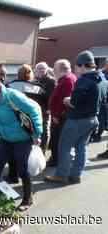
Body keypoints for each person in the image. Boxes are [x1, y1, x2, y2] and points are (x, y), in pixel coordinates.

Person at [0, 78, 42, 211]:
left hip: (22, 138)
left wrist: (37, 134)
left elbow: (33, 112)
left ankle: (27, 199)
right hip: (6, 138)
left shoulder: (12, 96)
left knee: (22, 169)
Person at [45, 50, 107, 184]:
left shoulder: (84, 80)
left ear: (82, 65)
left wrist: (67, 100)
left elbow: (74, 102)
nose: (75, 70)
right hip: (92, 119)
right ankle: (76, 175)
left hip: (78, 119)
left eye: (76, 67)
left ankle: (61, 174)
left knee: (64, 146)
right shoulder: (102, 79)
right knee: (81, 147)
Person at [6, 64, 46, 183]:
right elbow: (43, 106)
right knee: (26, 152)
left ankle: (13, 175)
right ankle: (26, 175)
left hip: (14, 122)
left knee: (12, 151)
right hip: (31, 124)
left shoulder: (10, 86)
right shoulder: (38, 88)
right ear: (31, 75)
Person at [47, 60, 77, 167]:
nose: (53, 70)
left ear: (60, 69)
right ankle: (55, 159)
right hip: (59, 116)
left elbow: (66, 100)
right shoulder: (65, 79)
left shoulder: (68, 80)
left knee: (58, 140)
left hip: (60, 118)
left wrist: (56, 115)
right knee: (57, 140)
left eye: (55, 68)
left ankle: (56, 161)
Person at [34, 62, 56, 153]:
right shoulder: (33, 80)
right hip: (34, 109)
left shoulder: (51, 81)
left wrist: (41, 92)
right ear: (36, 70)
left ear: (47, 70)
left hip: (45, 109)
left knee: (44, 131)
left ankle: (42, 151)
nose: (41, 70)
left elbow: (52, 97)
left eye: (43, 68)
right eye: (39, 69)